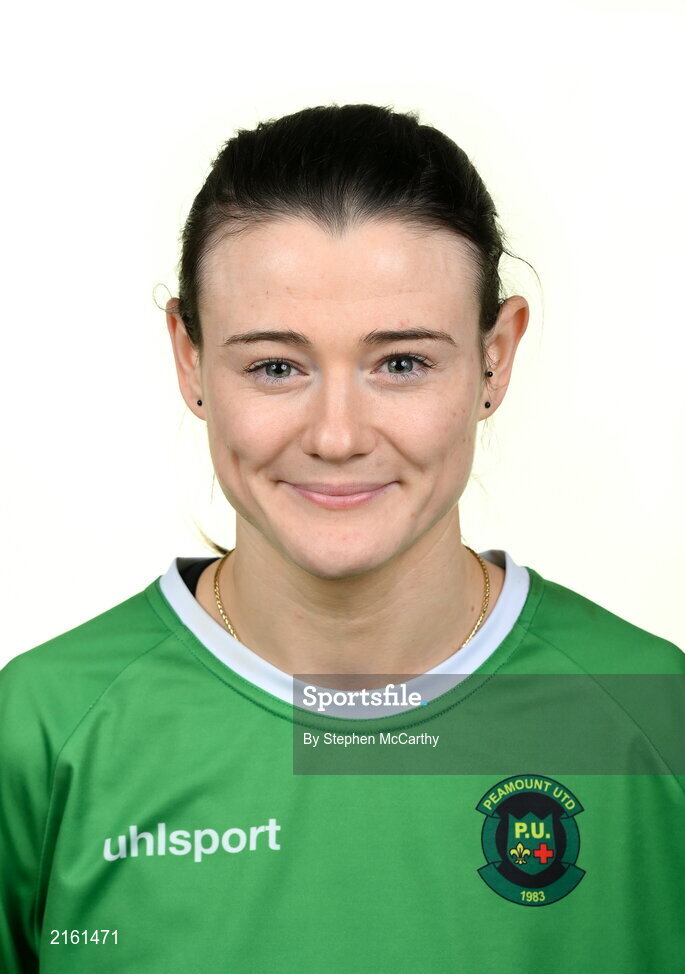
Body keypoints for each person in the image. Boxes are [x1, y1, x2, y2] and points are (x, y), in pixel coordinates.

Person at [1, 103, 683, 974]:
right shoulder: (40, 729)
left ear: (494, 359)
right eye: (274, 366)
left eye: (401, 363)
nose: (335, 436)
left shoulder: (656, 713)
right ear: (189, 359)